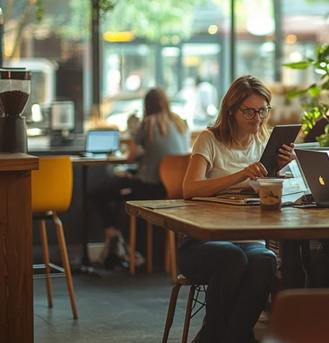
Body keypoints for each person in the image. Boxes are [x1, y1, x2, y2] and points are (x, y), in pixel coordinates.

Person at [179, 75, 294, 343]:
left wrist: (286, 167)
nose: (258, 118)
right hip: (203, 242)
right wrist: (241, 174)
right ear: (231, 111)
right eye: (250, 111)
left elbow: (274, 190)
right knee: (231, 258)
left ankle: (222, 336)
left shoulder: (265, 143)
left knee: (265, 259)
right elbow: (190, 189)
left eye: (263, 110)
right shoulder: (210, 139)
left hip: (248, 237)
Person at [96, 87, 191, 268]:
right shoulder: (181, 122)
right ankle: (127, 247)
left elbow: (130, 157)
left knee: (100, 193)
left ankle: (113, 234)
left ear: (146, 105)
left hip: (152, 187)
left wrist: (138, 156)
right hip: (177, 190)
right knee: (124, 189)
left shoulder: (147, 124)